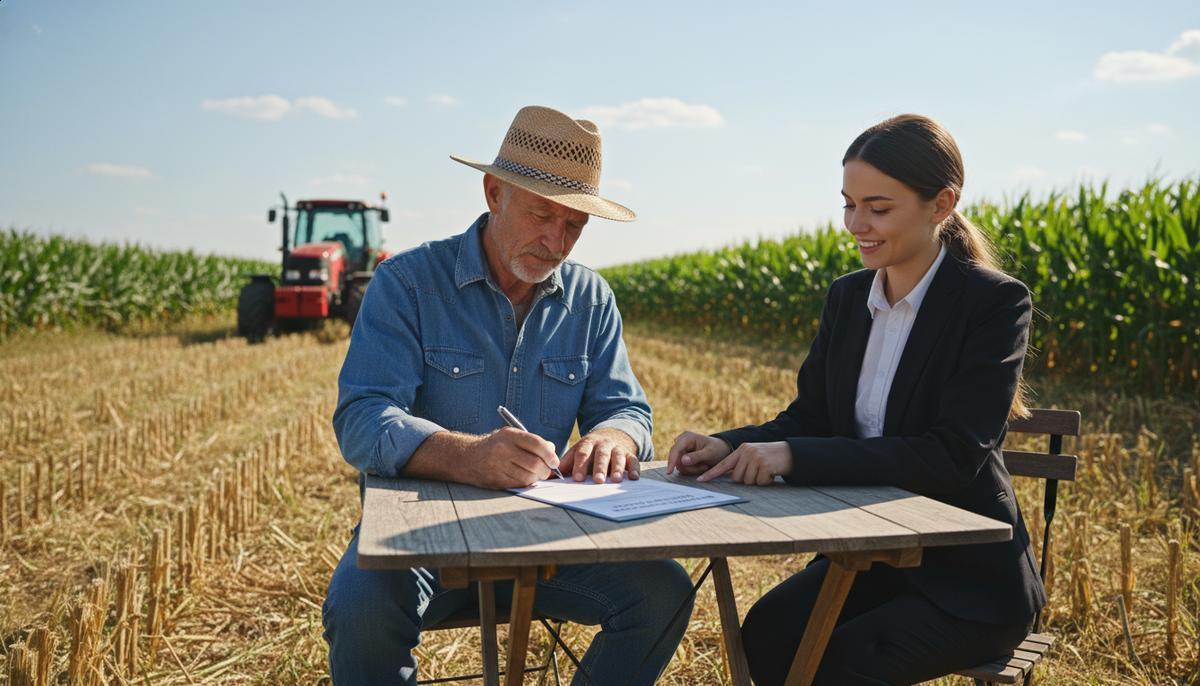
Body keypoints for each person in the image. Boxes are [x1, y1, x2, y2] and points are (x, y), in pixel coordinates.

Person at [666, 114, 1045, 685]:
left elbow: (951, 455)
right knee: (768, 633)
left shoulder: (992, 303)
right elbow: (810, 418)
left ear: (941, 205)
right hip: (869, 561)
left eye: (878, 207)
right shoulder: (847, 297)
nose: (856, 224)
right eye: (848, 204)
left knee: (839, 664)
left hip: (967, 583)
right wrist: (727, 444)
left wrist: (794, 457)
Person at [323, 105, 694, 685]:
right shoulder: (408, 284)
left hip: (549, 540)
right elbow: (362, 417)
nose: (556, 240)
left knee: (664, 593)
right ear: (494, 192)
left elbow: (627, 408)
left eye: (574, 225)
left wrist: (612, 437)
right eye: (542, 213)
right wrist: (465, 457)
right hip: (424, 543)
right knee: (361, 606)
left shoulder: (592, 300)